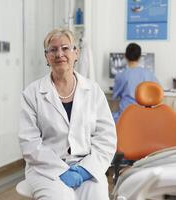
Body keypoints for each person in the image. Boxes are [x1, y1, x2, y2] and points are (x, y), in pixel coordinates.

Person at [18, 28, 116, 200]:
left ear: (76, 53)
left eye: (65, 48)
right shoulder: (31, 94)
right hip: (46, 169)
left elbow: (106, 139)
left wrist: (84, 170)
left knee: (97, 195)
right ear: (46, 57)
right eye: (53, 50)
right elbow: (30, 144)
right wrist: (61, 170)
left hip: (86, 166)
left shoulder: (93, 91)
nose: (59, 54)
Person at [112, 43, 158, 123]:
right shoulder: (149, 74)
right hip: (144, 116)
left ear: (126, 56)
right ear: (140, 57)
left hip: (126, 115)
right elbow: (157, 94)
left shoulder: (121, 75)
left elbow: (114, 95)